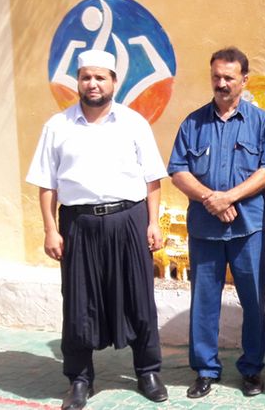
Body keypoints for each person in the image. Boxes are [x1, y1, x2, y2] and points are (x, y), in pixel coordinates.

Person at [26, 49, 169, 410]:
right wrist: (50, 230)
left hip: (129, 220)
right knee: (79, 303)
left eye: (100, 77)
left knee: (139, 299)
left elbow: (153, 179)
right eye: (86, 77)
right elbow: (46, 184)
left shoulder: (134, 123)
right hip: (79, 224)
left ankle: (148, 371)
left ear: (114, 82)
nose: (93, 84)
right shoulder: (57, 127)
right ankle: (79, 379)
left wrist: (153, 222)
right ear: (78, 81)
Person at [168, 47, 265, 399]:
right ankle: (205, 370)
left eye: (229, 77)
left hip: (248, 228)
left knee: (253, 300)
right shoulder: (193, 123)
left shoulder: (261, 123)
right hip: (205, 229)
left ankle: (252, 370)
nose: (221, 83)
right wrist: (210, 200)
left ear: (244, 80)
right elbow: (178, 170)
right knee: (204, 302)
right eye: (216, 76)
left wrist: (228, 197)